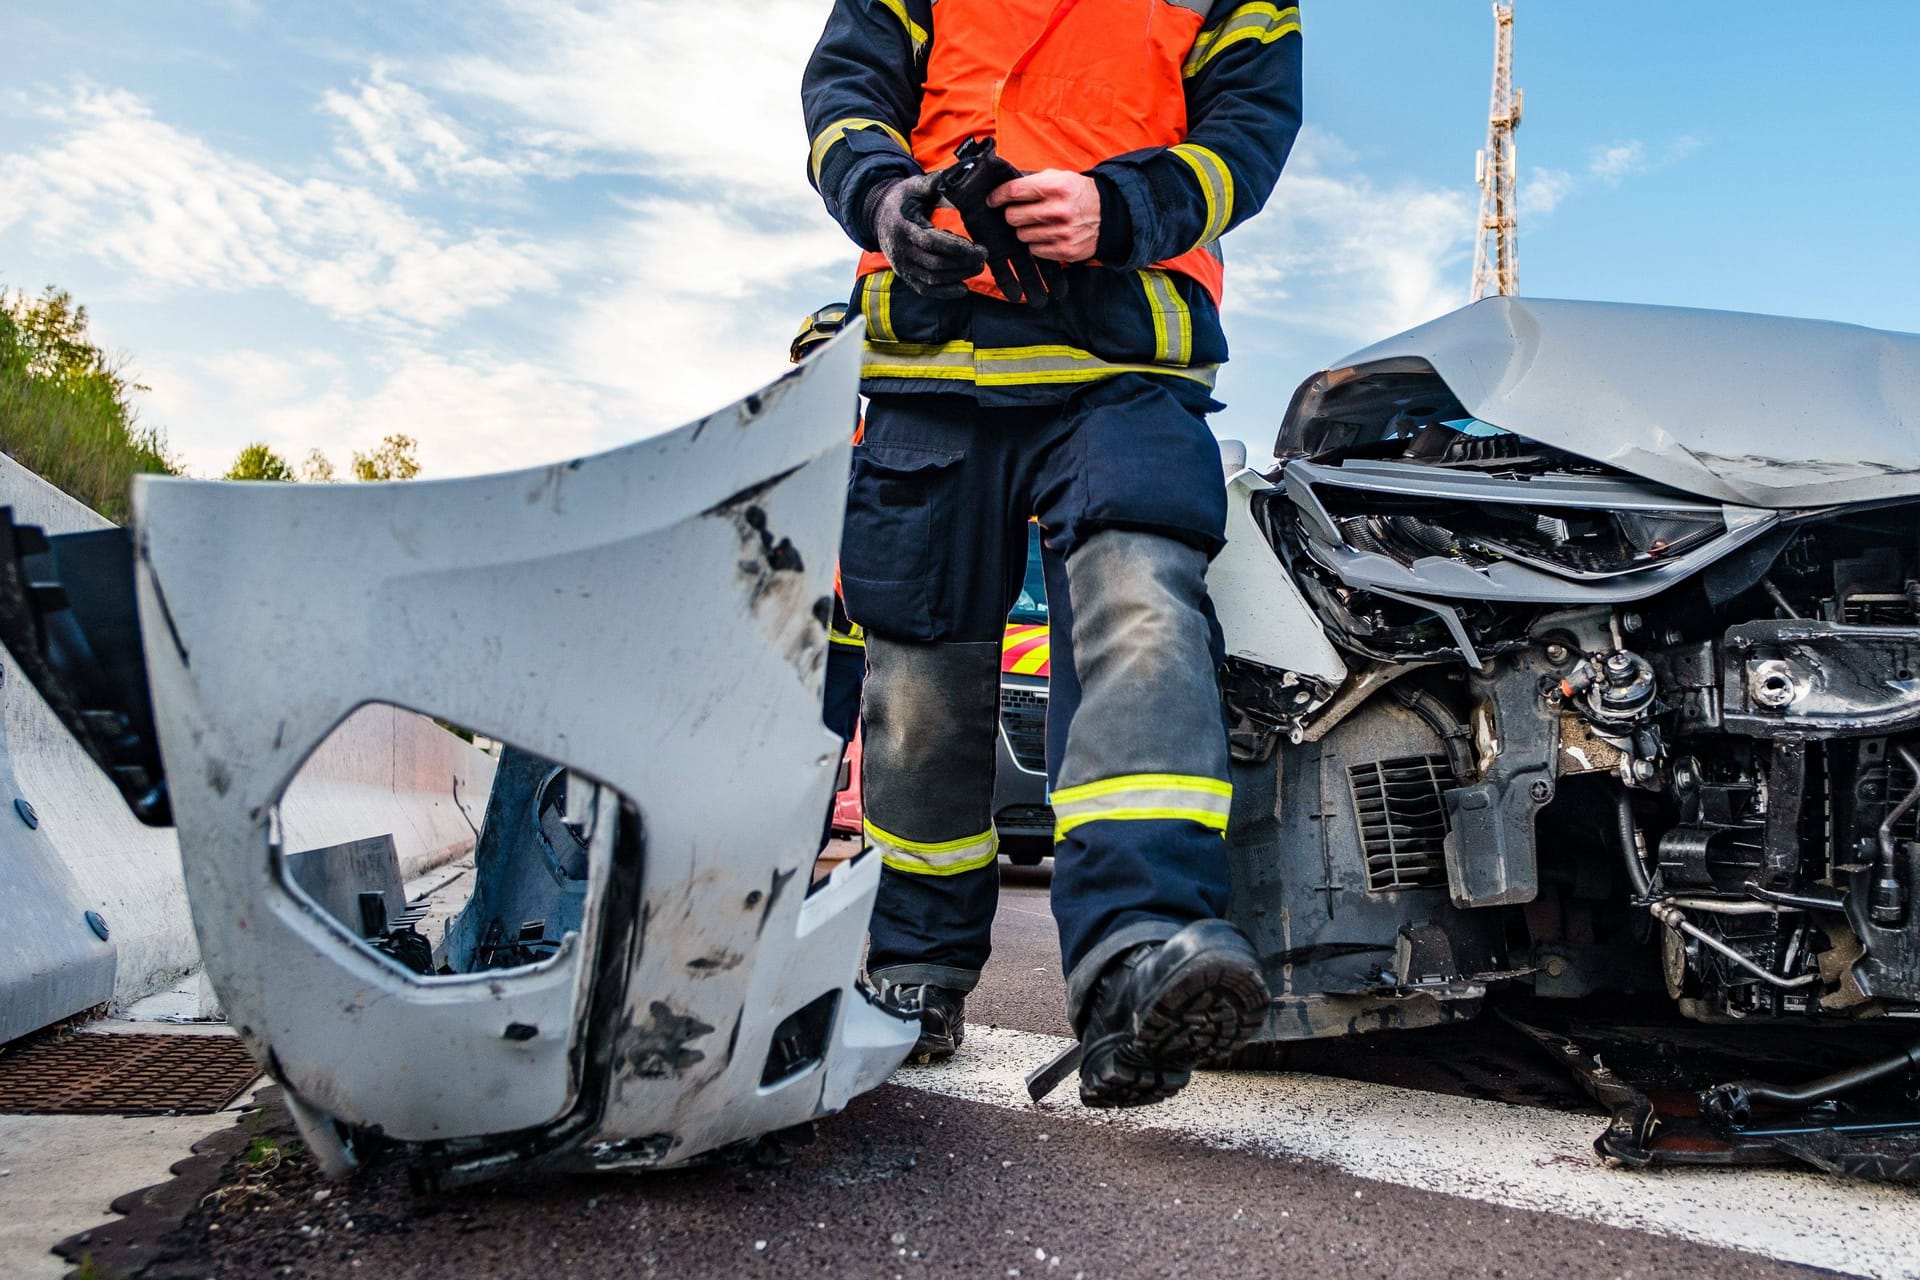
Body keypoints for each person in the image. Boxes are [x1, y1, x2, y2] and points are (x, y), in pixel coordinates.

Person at [802, 0, 1302, 1107]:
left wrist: (1119, 206)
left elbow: (1249, 136)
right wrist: (890, 202)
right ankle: (915, 969)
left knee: (1142, 606)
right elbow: (844, 101)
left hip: (1120, 360)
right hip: (931, 367)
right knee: (920, 681)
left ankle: (1138, 956)